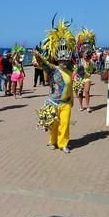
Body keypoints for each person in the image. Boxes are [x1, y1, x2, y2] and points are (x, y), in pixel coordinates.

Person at [35, 19, 75, 153]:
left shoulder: (70, 71)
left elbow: (70, 87)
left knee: (65, 124)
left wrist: (72, 100)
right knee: (54, 124)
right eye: (61, 59)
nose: (63, 61)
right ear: (58, 59)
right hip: (54, 102)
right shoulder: (54, 69)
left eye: (66, 59)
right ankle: (52, 141)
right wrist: (37, 55)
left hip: (66, 103)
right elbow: (44, 64)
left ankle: (63, 143)